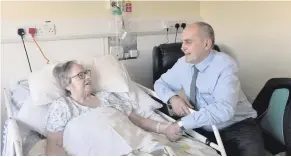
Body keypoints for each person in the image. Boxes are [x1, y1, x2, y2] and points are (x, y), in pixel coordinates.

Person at [154, 22, 265, 156]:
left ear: (207, 44)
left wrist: (181, 124)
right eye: (182, 42)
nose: (182, 47)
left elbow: (224, 109)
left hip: (237, 126)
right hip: (202, 125)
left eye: (188, 42)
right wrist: (173, 98)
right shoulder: (183, 63)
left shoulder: (225, 65)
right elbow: (160, 83)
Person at [45, 61, 181, 156]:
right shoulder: (62, 106)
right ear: (67, 84)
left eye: (86, 73)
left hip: (138, 145)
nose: (87, 77)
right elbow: (54, 144)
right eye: (81, 75)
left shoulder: (106, 97)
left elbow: (138, 121)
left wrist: (165, 128)